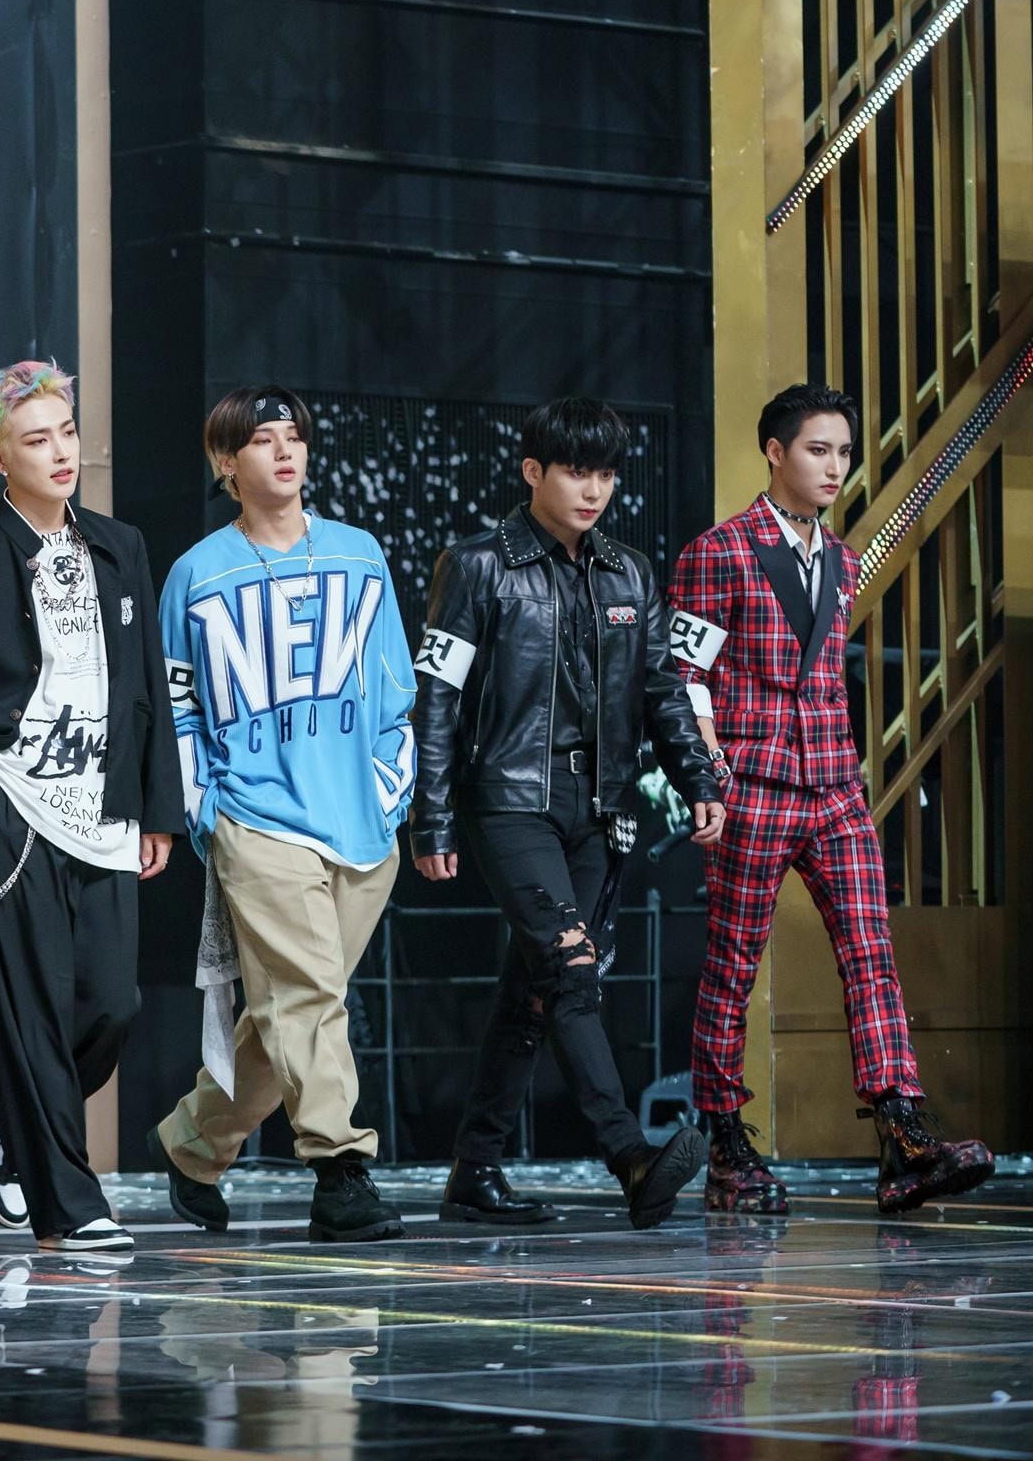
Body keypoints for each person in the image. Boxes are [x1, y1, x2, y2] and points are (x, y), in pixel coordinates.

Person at [666, 382, 989, 1214]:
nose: (835, 466)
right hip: (755, 784)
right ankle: (727, 1146)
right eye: (818, 450)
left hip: (836, 784)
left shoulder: (843, 558)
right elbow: (685, 674)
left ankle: (902, 1135)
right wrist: (709, 772)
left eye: (844, 452)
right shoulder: (720, 551)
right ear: (775, 452)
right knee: (734, 964)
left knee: (870, 952)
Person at [411, 397, 724, 1229]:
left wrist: (698, 779)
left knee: (536, 992)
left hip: (601, 806)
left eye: (606, 474)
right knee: (571, 968)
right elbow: (436, 698)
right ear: (533, 472)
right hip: (509, 799)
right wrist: (431, 816)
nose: (593, 490)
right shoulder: (477, 565)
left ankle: (474, 1172)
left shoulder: (630, 571)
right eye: (576, 472)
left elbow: (662, 688)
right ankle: (629, 1155)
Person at [0, 360, 178, 1254]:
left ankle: (13, 1123)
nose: (62, 452)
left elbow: (146, 686)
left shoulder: (121, 546)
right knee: (32, 1008)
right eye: (36, 439)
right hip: (12, 803)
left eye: (66, 432)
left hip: (104, 805)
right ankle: (70, 1205)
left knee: (111, 1004)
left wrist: (157, 809)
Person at [148, 387, 417, 1243]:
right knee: (305, 997)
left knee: (290, 1011)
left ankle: (193, 1144)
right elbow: (178, 707)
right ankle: (341, 1170)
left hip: (362, 823)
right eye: (263, 440)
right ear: (226, 463)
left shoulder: (359, 554)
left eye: (294, 436)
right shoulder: (196, 574)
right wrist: (208, 810)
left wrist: (390, 785)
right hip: (256, 819)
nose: (285, 451)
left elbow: (394, 684)